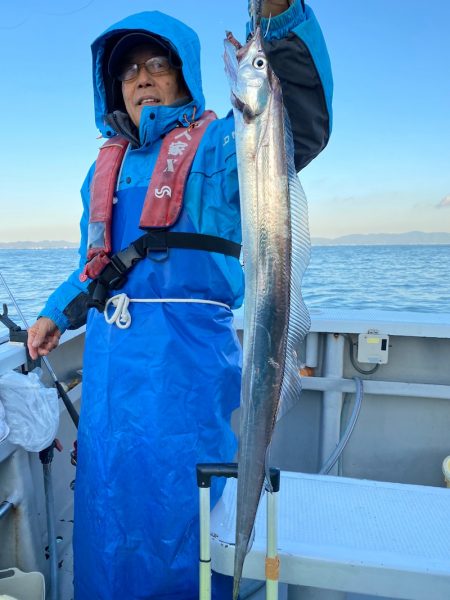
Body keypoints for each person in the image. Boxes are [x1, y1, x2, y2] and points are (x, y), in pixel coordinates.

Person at [27, 1, 332, 598]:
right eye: (129, 69)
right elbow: (93, 267)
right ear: (113, 87)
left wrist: (278, 20)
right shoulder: (101, 171)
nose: (142, 77)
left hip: (184, 372)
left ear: (185, 75)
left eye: (157, 64)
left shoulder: (223, 146)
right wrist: (54, 314)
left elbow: (296, 116)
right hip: (111, 375)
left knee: (182, 516)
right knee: (108, 512)